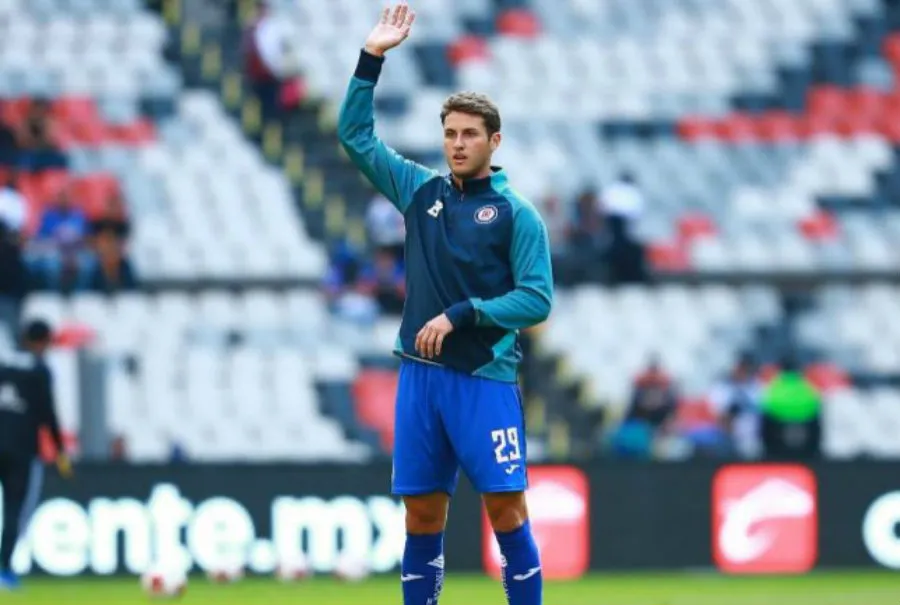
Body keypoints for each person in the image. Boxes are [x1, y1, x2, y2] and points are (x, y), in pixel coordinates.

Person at [337, 4, 553, 604]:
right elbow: (355, 137)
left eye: (469, 134)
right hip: (420, 380)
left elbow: (536, 299)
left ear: (494, 140)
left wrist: (464, 313)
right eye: (450, 134)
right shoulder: (420, 191)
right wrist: (371, 59)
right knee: (422, 517)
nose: (457, 144)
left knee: (506, 512)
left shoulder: (518, 215)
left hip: (482, 379)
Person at [0, 319, 72, 589]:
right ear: (41, 342)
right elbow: (47, 413)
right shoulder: (39, 371)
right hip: (21, 450)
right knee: (15, 510)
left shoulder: (3, 364)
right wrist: (61, 452)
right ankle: (4, 570)